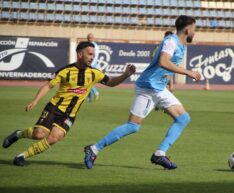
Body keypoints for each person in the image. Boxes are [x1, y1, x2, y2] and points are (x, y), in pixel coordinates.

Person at [84, 15, 201, 170]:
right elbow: (163, 62)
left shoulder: (182, 45)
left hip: (159, 89)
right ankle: (94, 149)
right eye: (194, 29)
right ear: (187, 29)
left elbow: (164, 69)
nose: (195, 32)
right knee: (133, 126)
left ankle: (160, 153)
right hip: (148, 87)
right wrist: (188, 72)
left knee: (183, 118)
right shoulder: (171, 41)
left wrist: (165, 88)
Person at [2, 42, 136, 166]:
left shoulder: (95, 73)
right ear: (80, 54)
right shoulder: (66, 71)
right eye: (89, 54)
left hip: (70, 114)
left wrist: (125, 75)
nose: (92, 57)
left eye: (93, 55)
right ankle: (18, 134)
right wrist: (35, 100)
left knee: (54, 138)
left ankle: (22, 156)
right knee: (39, 135)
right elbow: (48, 86)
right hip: (54, 108)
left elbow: (111, 82)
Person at [87, 33, 100, 102]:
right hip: (88, 64)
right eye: (88, 38)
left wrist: (91, 64)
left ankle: (95, 92)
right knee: (87, 81)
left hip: (92, 65)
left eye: (91, 38)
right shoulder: (86, 45)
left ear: (93, 38)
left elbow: (95, 56)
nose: (89, 39)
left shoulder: (95, 46)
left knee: (87, 81)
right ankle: (89, 98)